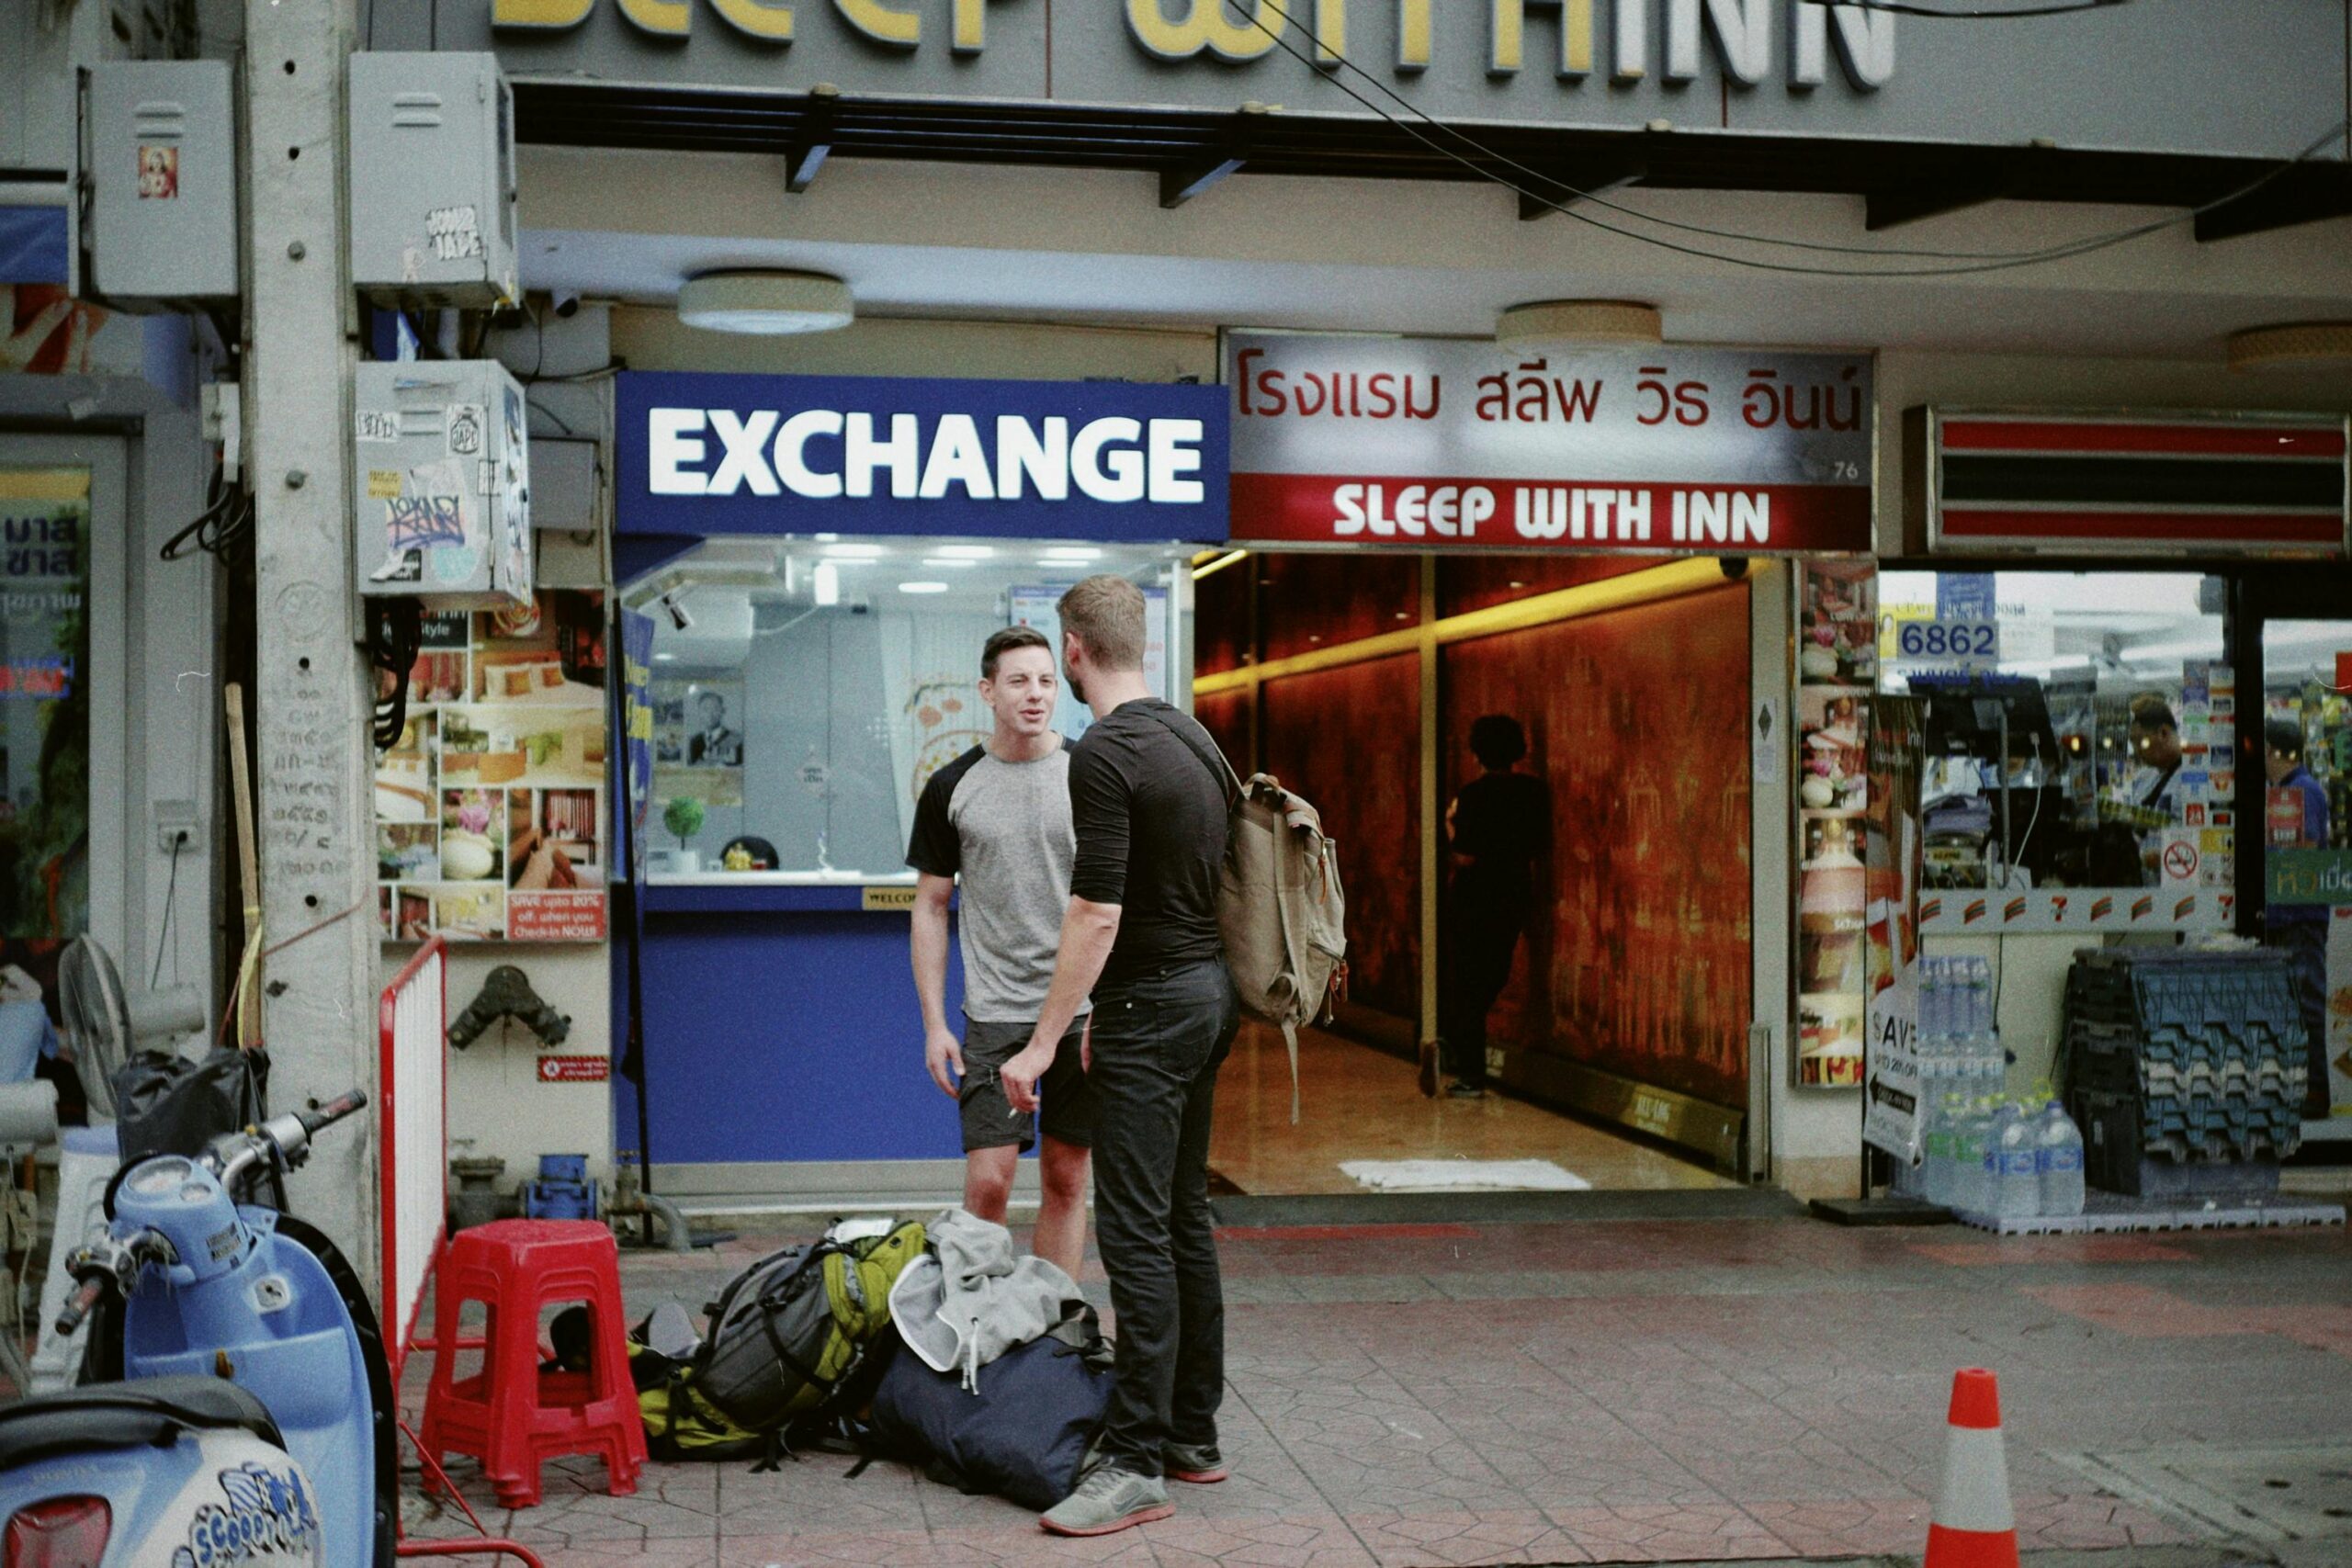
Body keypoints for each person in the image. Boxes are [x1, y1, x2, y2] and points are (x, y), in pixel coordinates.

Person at [999, 574, 1238, 1539]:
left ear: (1074, 650)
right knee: (1182, 1219)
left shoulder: (1104, 752)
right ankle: (1192, 1433)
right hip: (1206, 995)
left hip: (1151, 1010)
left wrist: (1042, 1041)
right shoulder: (1192, 736)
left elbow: (1097, 910)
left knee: (1136, 1236)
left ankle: (1135, 1460)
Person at [905, 626, 1094, 1280]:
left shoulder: (1089, 775)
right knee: (989, 1182)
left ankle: (1055, 1321)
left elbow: (1117, 903)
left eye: (1046, 680)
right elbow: (930, 907)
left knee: (1067, 1178)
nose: (1035, 694)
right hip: (994, 1013)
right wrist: (935, 1025)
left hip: (1080, 1011)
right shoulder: (952, 786)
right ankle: (980, 1324)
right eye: (1019, 681)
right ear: (988, 692)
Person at [1422, 715, 1548, 1100]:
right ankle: (1457, 1049)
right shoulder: (1535, 791)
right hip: (1514, 890)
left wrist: (1450, 828)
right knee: (1493, 974)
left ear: (1477, 752)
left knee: (1467, 982)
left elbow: (1464, 854)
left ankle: (1467, 1066)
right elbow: (1539, 845)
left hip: (1474, 894)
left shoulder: (1472, 795)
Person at [2263, 716, 2334, 1117]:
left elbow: (2304, 848)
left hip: (2300, 918)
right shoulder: (2286, 792)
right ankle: (2301, 1090)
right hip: (2288, 916)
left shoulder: (2302, 791)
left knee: (2306, 1006)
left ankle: (2315, 1094)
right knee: (2294, 1006)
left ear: (2272, 751)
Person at [686, 690, 741, 766]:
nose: (710, 714)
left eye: (715, 708)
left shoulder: (736, 739)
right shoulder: (693, 741)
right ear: (699, 713)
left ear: (723, 711)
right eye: (705, 709)